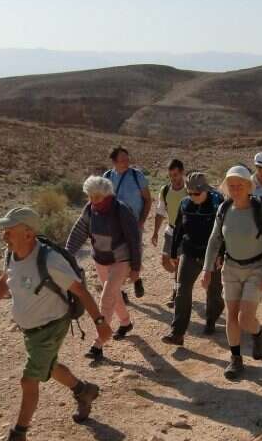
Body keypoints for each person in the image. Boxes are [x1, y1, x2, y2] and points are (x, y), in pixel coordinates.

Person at [0, 207, 112, 441]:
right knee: (49, 366)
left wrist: (100, 322)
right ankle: (84, 391)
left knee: (29, 380)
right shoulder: (11, 254)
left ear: (28, 233)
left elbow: (80, 290)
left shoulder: (50, 260)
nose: (4, 235)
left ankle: (18, 437)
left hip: (51, 326)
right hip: (31, 330)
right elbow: (4, 281)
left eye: (9, 230)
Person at [202, 165, 262, 380]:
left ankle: (258, 333)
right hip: (231, 268)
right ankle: (235, 359)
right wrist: (207, 268)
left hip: (257, 268)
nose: (235, 189)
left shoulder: (260, 210)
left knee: (245, 318)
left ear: (248, 186)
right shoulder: (224, 209)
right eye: (231, 186)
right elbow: (214, 240)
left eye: (239, 185)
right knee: (232, 315)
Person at [66, 176, 142, 361]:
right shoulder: (90, 209)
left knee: (107, 297)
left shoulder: (121, 210)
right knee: (114, 294)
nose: (93, 200)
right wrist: (66, 255)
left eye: (97, 197)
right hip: (100, 259)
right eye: (90, 196)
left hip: (120, 260)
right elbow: (79, 231)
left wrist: (135, 268)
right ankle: (125, 323)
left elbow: (134, 239)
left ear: (107, 195)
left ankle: (98, 343)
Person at [162, 172, 225, 345]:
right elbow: (178, 229)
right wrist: (173, 252)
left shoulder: (217, 203)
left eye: (196, 193)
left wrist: (221, 254)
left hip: (211, 255)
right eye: (189, 193)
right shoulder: (185, 204)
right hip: (189, 252)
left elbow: (224, 232)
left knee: (214, 291)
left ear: (205, 190)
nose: (192, 196)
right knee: (182, 291)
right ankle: (177, 333)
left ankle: (211, 319)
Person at [103, 146, 152, 300]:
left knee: (134, 254)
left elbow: (148, 199)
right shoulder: (107, 177)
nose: (126, 162)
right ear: (114, 162)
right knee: (117, 258)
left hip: (134, 224)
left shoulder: (137, 176)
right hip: (114, 227)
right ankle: (121, 290)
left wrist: (141, 221)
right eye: (122, 160)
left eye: (127, 158)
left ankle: (136, 279)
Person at [152, 159, 188, 307]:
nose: (173, 178)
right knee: (165, 262)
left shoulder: (189, 189)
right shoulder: (165, 190)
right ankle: (183, 277)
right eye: (171, 175)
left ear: (182, 173)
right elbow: (160, 212)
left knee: (179, 263)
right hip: (171, 231)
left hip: (186, 233)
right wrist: (155, 232)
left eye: (176, 175)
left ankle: (176, 291)